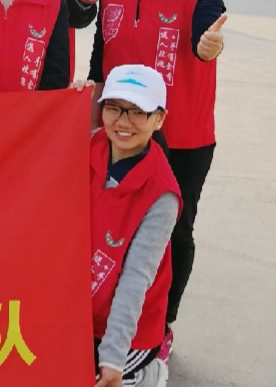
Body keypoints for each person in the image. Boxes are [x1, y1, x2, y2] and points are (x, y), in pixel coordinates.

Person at [88, 0, 227, 363]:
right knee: (109, 228)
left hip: (181, 135)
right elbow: (100, 56)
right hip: (119, 131)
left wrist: (207, 46)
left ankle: (162, 324)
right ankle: (105, 319)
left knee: (174, 231)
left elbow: (204, 34)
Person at [88, 65, 180, 387]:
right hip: (79, 310)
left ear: (159, 119)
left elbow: (135, 281)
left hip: (129, 330)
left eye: (138, 112)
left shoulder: (161, 195)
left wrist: (112, 358)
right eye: (114, 108)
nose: (123, 121)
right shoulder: (86, 147)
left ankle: (148, 372)